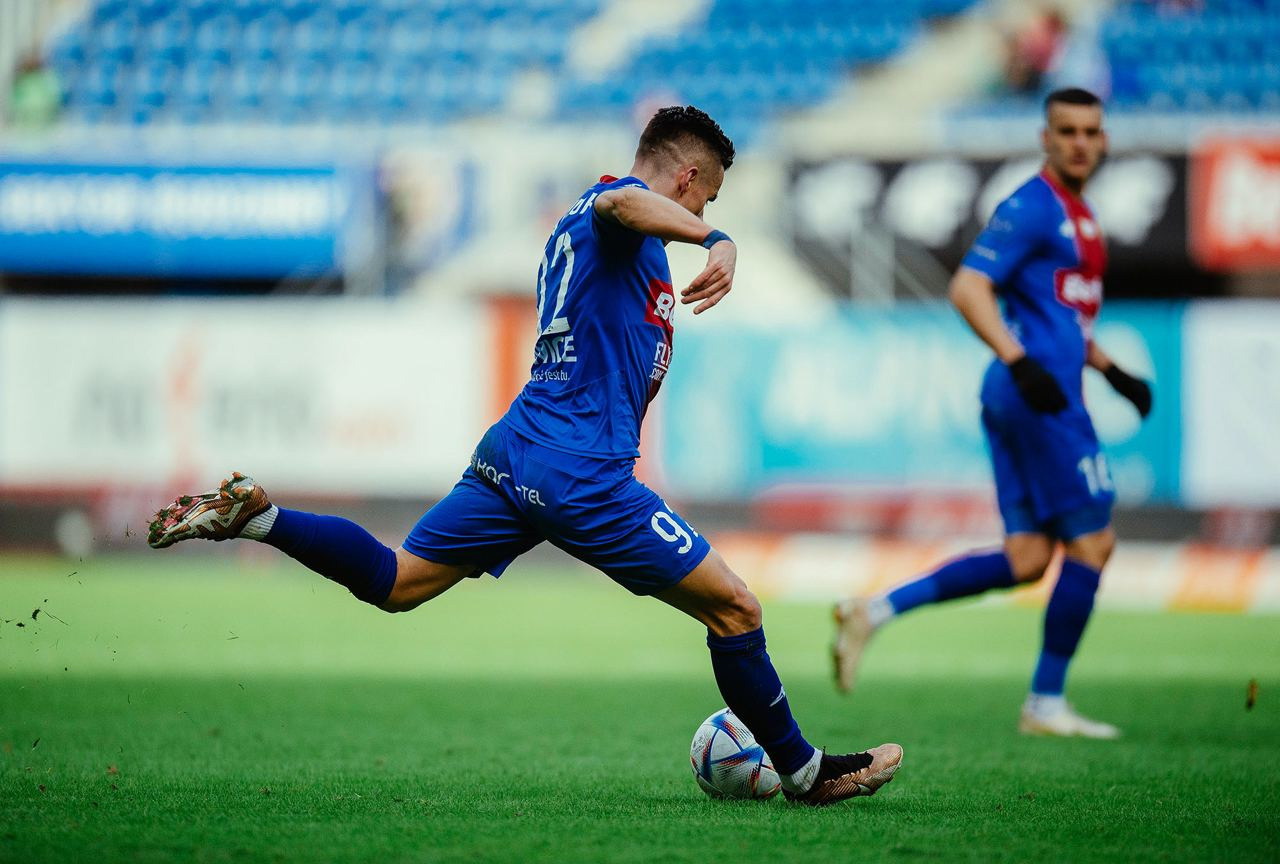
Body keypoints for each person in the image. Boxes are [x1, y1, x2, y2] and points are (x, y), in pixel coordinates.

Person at [149, 106, 902, 805]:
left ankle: (260, 519)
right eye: (708, 200)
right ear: (687, 177)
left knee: (398, 582)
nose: (704, 215)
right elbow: (626, 204)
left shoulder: (583, 228)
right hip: (582, 473)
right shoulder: (617, 209)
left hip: (516, 449)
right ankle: (806, 773)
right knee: (735, 607)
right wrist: (718, 241)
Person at [832, 88, 1153, 739]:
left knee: (1029, 557)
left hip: (1033, 389)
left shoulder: (1082, 216)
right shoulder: (1032, 206)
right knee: (1093, 542)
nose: (1080, 143)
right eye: (1067, 131)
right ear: (1045, 138)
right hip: (1036, 396)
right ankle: (1045, 703)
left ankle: (875, 611)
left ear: (1104, 139)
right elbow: (968, 286)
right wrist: (1018, 360)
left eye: (1090, 131)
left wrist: (1111, 371)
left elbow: (1064, 320)